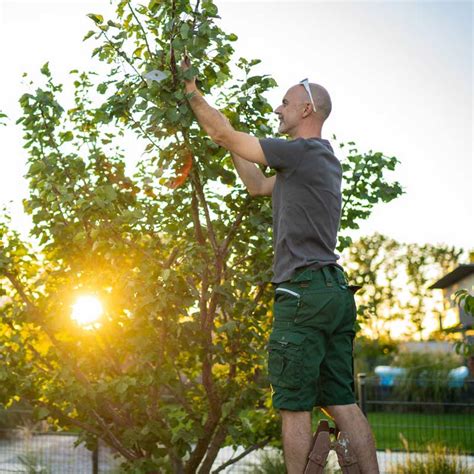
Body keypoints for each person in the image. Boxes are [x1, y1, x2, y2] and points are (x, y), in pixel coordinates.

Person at [180, 57, 380, 474]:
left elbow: (219, 129)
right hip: (332, 292)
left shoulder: (302, 152)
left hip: (303, 292)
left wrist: (192, 92)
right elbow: (257, 186)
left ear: (307, 109)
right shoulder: (318, 161)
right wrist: (232, 145)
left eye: (285, 102)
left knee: (293, 404)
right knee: (342, 401)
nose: (278, 109)